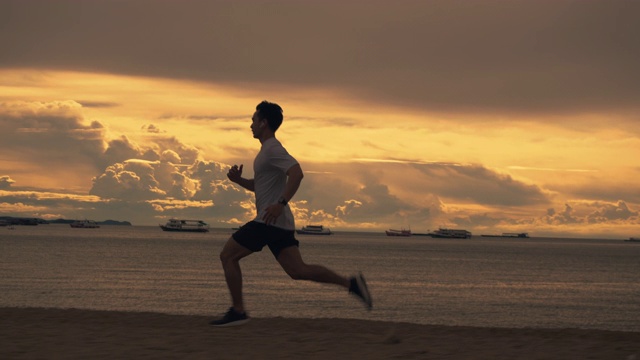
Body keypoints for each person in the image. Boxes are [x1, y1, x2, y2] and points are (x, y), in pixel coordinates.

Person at [210, 101, 372, 327]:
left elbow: (297, 173)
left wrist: (280, 203)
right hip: (280, 224)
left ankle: (238, 311)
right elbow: (262, 186)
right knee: (298, 270)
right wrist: (239, 181)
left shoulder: (273, 149)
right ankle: (351, 284)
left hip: (268, 221)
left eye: (254, 120)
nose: (251, 125)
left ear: (264, 123)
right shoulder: (266, 152)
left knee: (227, 255)